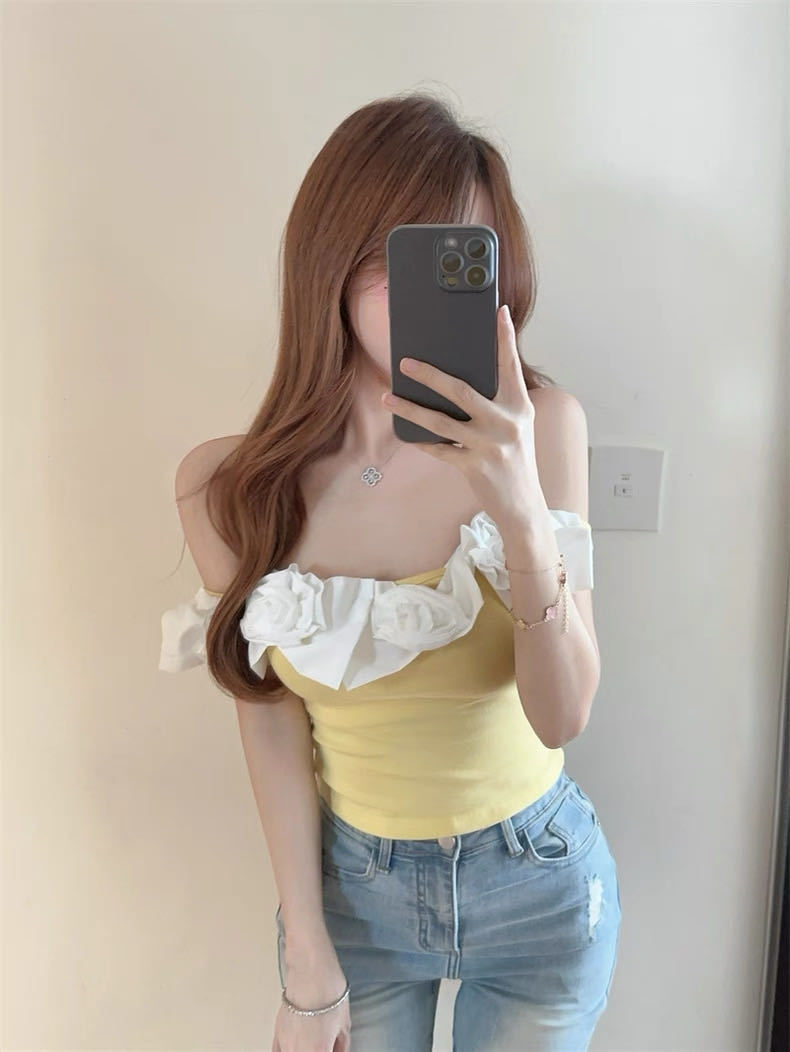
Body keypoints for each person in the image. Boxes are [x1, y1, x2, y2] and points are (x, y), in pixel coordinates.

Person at [159, 91, 622, 1052]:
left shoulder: (546, 429)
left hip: (537, 883)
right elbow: (269, 719)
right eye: (406, 257)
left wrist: (520, 512)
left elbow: (563, 715)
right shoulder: (230, 488)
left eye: (466, 260)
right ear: (330, 260)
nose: (432, 297)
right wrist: (305, 953)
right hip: (352, 900)